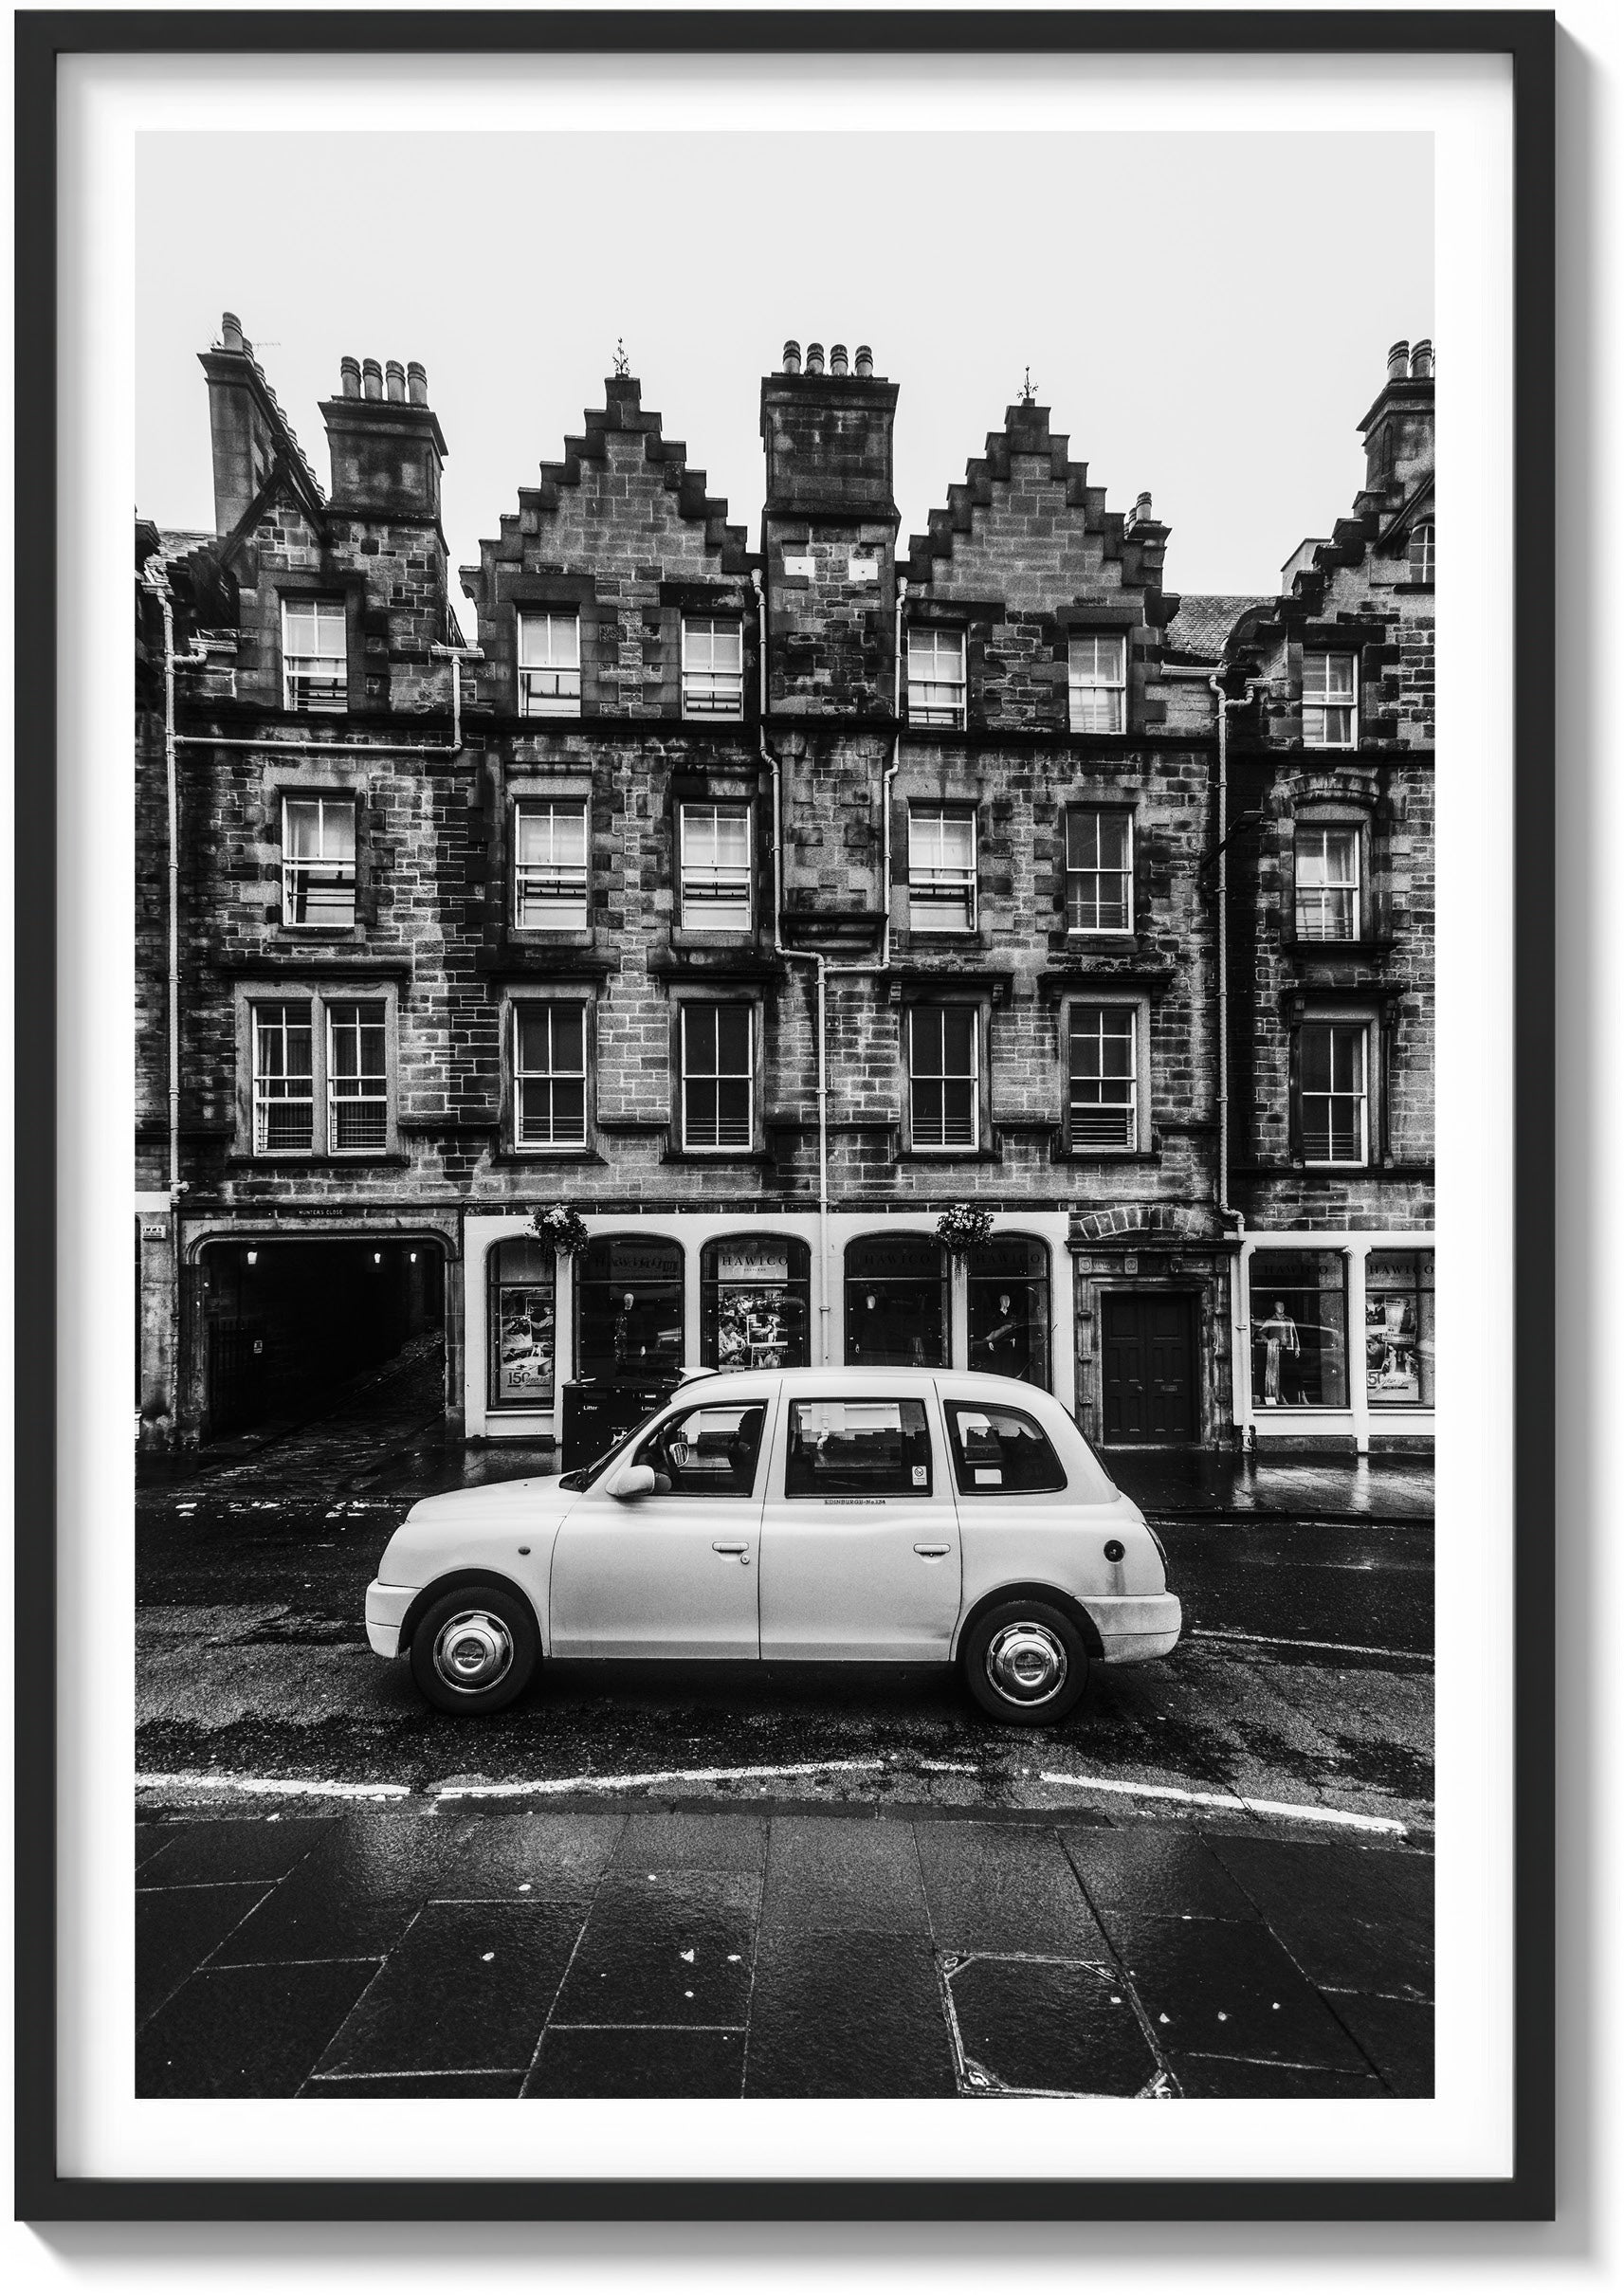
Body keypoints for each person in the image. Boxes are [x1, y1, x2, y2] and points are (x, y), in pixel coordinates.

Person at [1256, 1299, 1300, 1405]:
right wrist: (1267, 1341)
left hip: (1289, 1349)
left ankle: (1300, 1395)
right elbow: (1260, 1333)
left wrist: (1297, 1348)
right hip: (1277, 1351)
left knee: (1294, 1373)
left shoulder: (1289, 1320)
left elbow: (1295, 1335)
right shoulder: (1270, 1321)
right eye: (1279, 1306)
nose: (1281, 1308)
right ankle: (1281, 1396)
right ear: (1275, 1308)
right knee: (1280, 1374)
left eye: (1282, 1306)